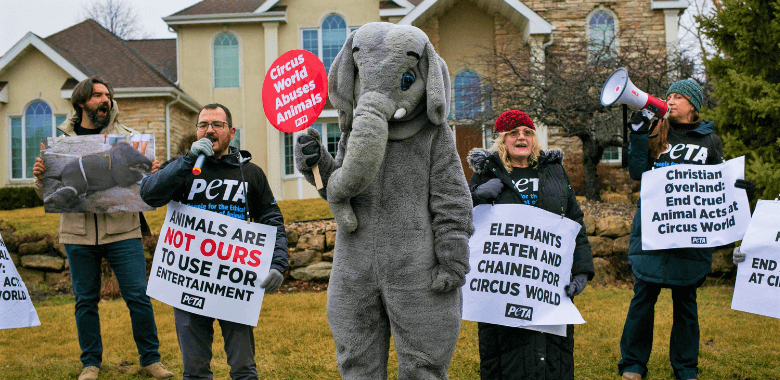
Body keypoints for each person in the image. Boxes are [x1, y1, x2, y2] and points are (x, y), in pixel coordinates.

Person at [32, 76, 172, 380]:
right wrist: (41, 177)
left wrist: (153, 174)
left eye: (108, 94)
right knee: (85, 300)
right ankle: (91, 363)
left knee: (137, 295)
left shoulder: (129, 138)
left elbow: (146, 188)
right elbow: (44, 195)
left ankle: (151, 360)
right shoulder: (61, 141)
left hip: (122, 230)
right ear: (81, 102)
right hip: (77, 233)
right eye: (97, 96)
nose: (105, 100)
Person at [139, 103, 288, 380]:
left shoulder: (251, 173)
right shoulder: (183, 167)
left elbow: (270, 217)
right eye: (203, 125)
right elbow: (148, 193)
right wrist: (186, 162)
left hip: (234, 281)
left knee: (244, 368)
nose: (209, 130)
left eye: (217, 125)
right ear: (196, 132)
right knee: (195, 370)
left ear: (230, 132)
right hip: (189, 281)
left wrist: (278, 262)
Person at [617, 79, 754, 380]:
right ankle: (633, 364)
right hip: (655, 230)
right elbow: (637, 173)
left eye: (679, 96)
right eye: (669, 96)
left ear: (693, 105)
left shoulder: (710, 141)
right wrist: (638, 136)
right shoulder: (655, 131)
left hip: (689, 235)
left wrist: (741, 189)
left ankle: (685, 367)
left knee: (686, 303)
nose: (672, 100)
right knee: (643, 298)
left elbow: (719, 184)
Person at [467, 110, 595, 380]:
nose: (521, 137)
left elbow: (574, 222)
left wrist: (582, 270)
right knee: (508, 353)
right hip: (503, 287)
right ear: (502, 139)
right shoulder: (485, 174)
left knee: (552, 355)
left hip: (547, 283)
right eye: (513, 133)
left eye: (527, 132)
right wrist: (474, 197)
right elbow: (461, 221)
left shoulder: (554, 173)